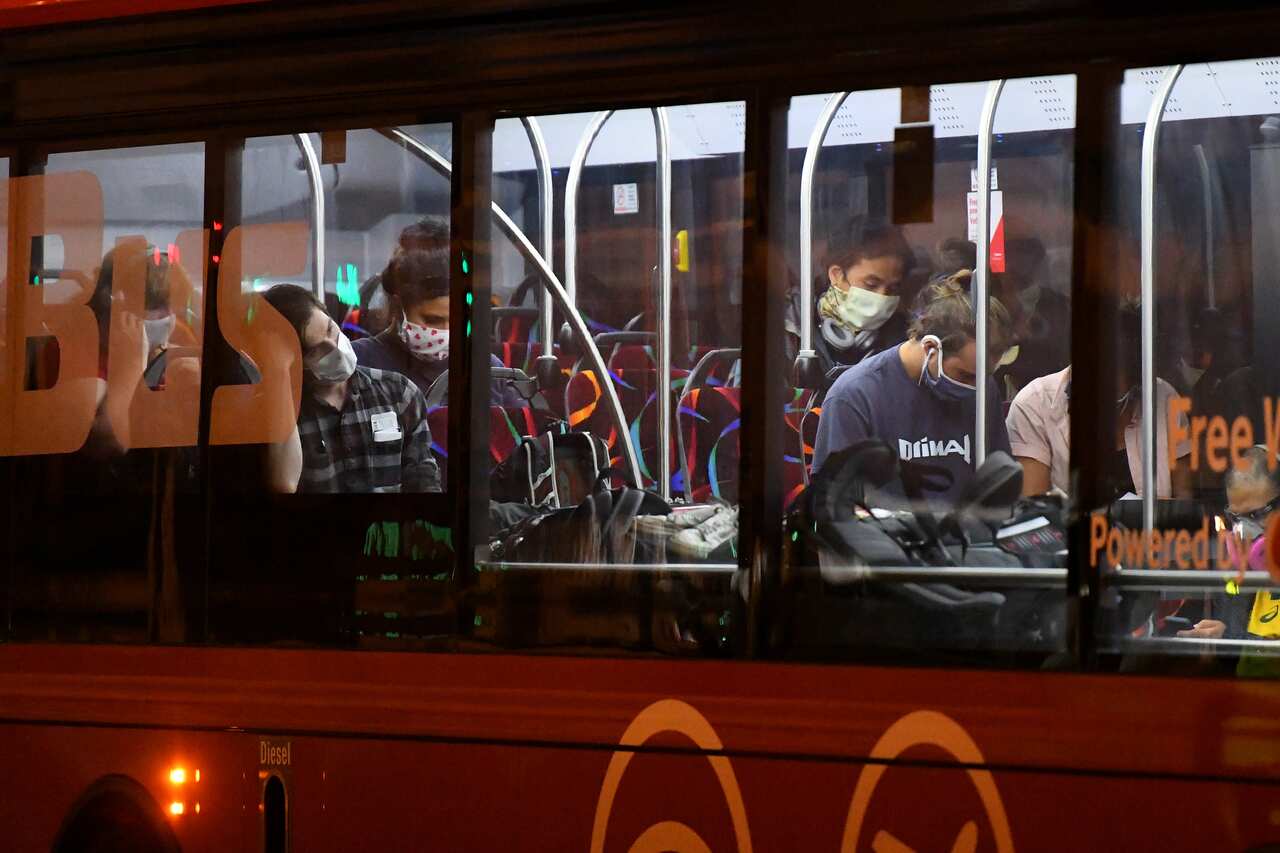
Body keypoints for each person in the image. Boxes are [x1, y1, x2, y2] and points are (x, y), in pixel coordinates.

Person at [811, 272, 1013, 507]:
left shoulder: (982, 388)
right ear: (930, 347)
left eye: (983, 376)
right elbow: (835, 504)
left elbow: (1000, 486)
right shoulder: (856, 396)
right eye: (965, 375)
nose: (975, 387)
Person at [261, 283, 440, 494]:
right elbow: (283, 485)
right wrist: (279, 373)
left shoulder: (399, 393)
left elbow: (424, 480)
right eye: (317, 350)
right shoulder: (284, 416)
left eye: (330, 329)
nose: (334, 347)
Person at [1006, 301, 1191, 499]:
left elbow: (1182, 500)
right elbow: (1035, 508)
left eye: (1117, 397)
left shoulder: (1163, 398)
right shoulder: (1034, 405)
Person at [353, 216, 522, 407]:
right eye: (432, 320)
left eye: (457, 320)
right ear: (399, 306)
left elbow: (514, 432)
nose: (446, 332)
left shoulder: (486, 368)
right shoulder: (360, 362)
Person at [784, 214, 916, 377]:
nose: (882, 297)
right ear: (836, 275)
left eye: (892, 288)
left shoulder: (905, 340)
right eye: (871, 285)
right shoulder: (792, 328)